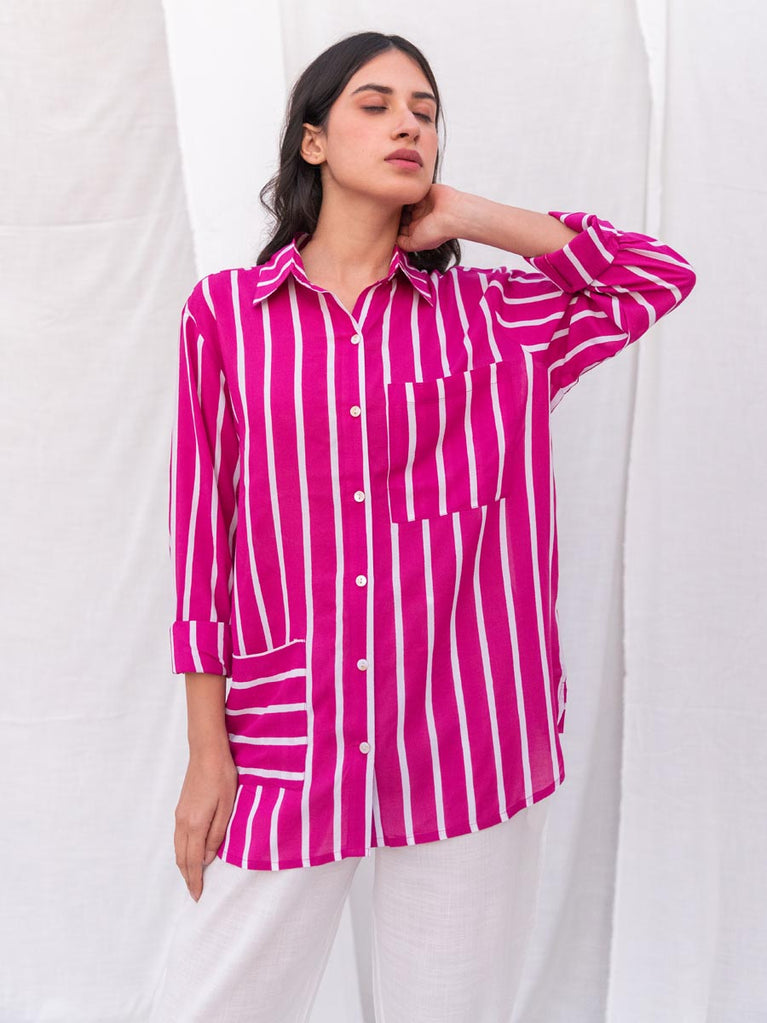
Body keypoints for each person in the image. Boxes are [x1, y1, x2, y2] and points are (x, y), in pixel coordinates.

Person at [151, 29, 696, 1023]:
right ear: (312, 139)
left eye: (426, 112)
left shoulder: (495, 318)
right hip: (290, 726)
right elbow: (204, 535)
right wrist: (204, 748)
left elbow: (653, 276)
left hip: (467, 725)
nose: (407, 123)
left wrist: (469, 215)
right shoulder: (226, 316)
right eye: (375, 104)